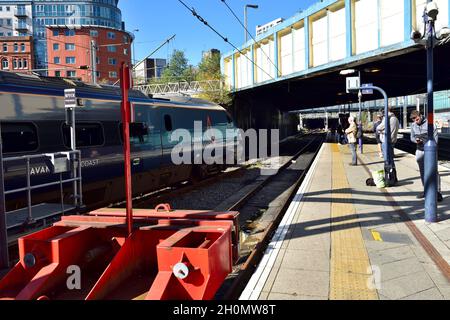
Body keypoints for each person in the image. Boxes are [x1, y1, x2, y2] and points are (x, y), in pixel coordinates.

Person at [410, 110, 443, 202]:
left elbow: (435, 137)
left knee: (434, 171)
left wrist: (433, 148)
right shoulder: (413, 126)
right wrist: (415, 140)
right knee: (423, 171)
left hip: (430, 151)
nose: (415, 121)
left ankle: (437, 192)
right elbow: (411, 137)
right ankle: (426, 190)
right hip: (419, 150)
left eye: (416, 119)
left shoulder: (430, 124)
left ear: (420, 116)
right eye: (413, 120)